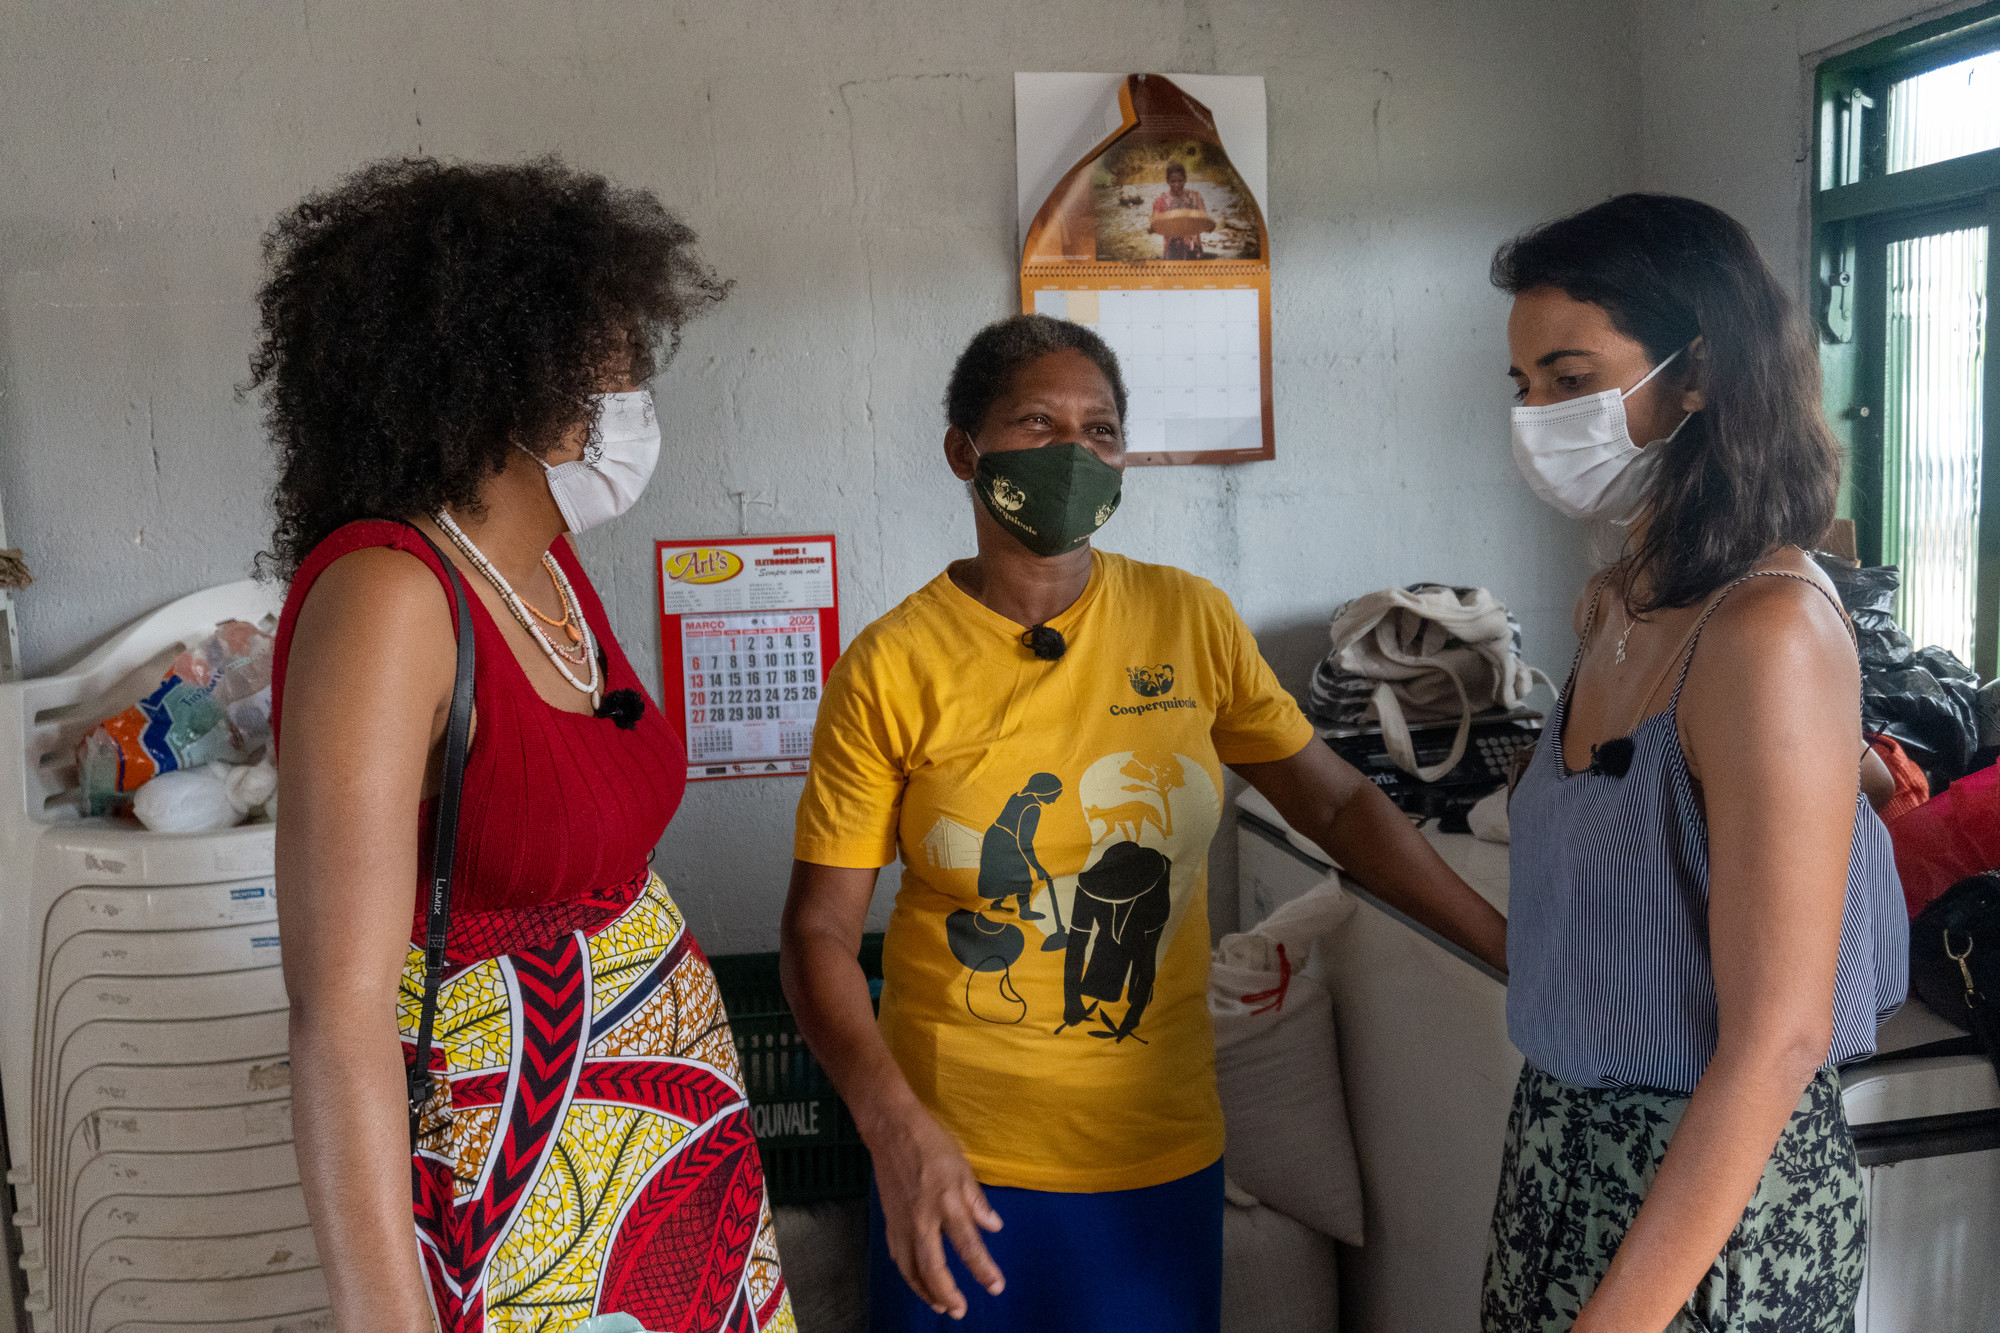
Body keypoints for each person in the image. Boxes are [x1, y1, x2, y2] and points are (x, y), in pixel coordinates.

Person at [779, 313, 1510, 1331]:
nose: (1073, 452)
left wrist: (1506, 950)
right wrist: (891, 1125)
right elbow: (817, 931)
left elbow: (1336, 802)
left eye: (1101, 430)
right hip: (955, 1153)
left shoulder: (1187, 620)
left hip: (1154, 1150)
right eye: (1036, 422)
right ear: (963, 451)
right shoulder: (894, 665)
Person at [258, 158, 792, 1333]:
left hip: (658, 1160)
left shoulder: (544, 566)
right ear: (504, 380)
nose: (630, 400)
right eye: (609, 368)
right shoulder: (389, 600)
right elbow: (338, 1016)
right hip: (520, 1182)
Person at [1485, 194, 1908, 1333]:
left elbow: (1776, 1042)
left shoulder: (1767, 632)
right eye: (1523, 385)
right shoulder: (1614, 604)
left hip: (1715, 1212)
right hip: (1559, 1163)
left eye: (1572, 379)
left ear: (1699, 375)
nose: (1536, 419)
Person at [1149, 162, 1208, 259]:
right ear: (1167, 181)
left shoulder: (1195, 197)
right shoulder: (1161, 200)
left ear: (1185, 179)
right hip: (1172, 247)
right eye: (1173, 181)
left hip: (1193, 245)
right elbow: (1154, 222)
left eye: (1180, 181)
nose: (1177, 185)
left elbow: (1204, 218)